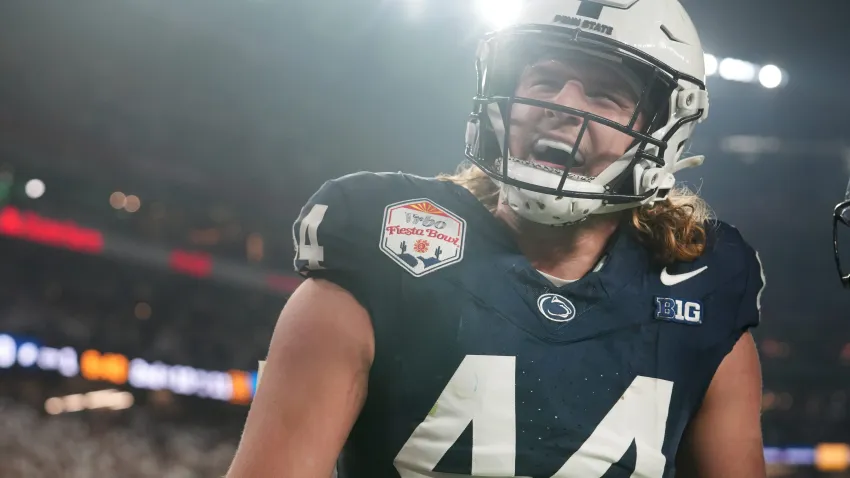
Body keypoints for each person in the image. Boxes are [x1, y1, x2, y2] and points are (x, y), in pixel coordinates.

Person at [227, 0, 767, 476]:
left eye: (605, 94)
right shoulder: (384, 250)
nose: (561, 105)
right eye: (543, 80)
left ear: (664, 133)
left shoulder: (701, 291)